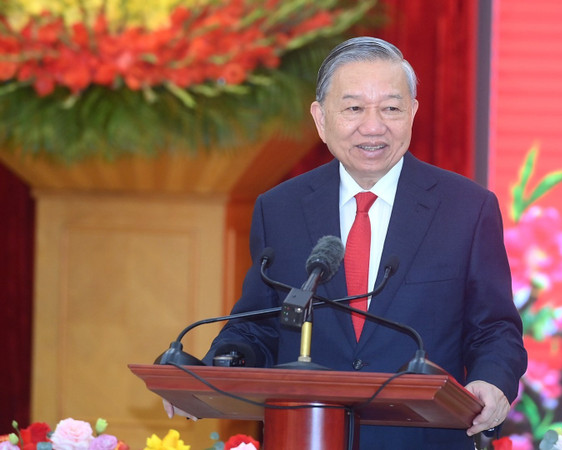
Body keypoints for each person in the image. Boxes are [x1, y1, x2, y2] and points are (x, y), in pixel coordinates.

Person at [168, 36, 527, 449]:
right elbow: (258, 325)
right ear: (321, 119)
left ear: (412, 112)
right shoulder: (279, 208)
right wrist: (212, 374)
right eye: (354, 108)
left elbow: (494, 328)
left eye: (391, 108)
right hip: (306, 437)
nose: (373, 126)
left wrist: (491, 382)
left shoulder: (467, 208)